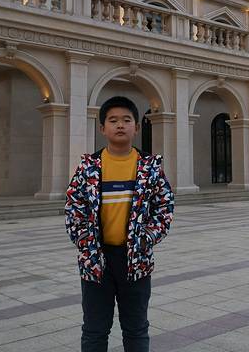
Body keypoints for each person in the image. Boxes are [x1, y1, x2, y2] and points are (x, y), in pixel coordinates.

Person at [65, 96, 174, 352]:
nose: (120, 125)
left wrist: (147, 238)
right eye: (113, 120)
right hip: (96, 261)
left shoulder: (150, 168)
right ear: (102, 128)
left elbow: (164, 207)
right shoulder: (88, 168)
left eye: (127, 120)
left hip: (136, 260)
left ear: (137, 127)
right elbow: (74, 208)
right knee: (94, 329)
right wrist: (86, 242)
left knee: (136, 329)